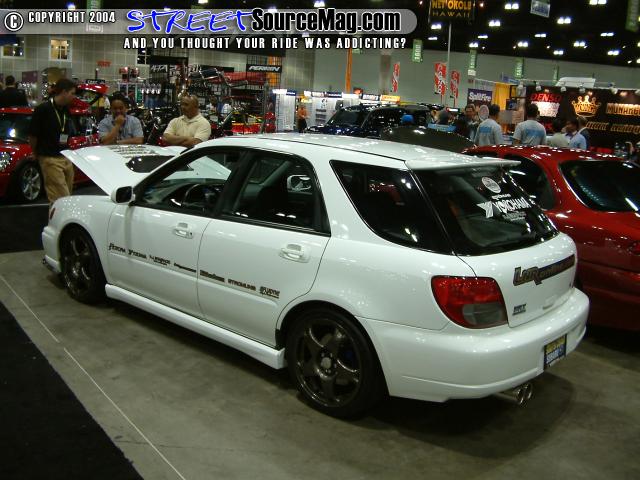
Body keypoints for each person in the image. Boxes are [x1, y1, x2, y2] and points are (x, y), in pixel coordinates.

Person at [28, 78, 77, 205]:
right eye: (72, 93)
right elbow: (33, 135)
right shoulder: (43, 109)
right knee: (60, 198)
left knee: (67, 196)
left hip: (65, 156)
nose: (74, 97)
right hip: (49, 158)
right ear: (64, 92)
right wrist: (35, 152)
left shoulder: (66, 110)